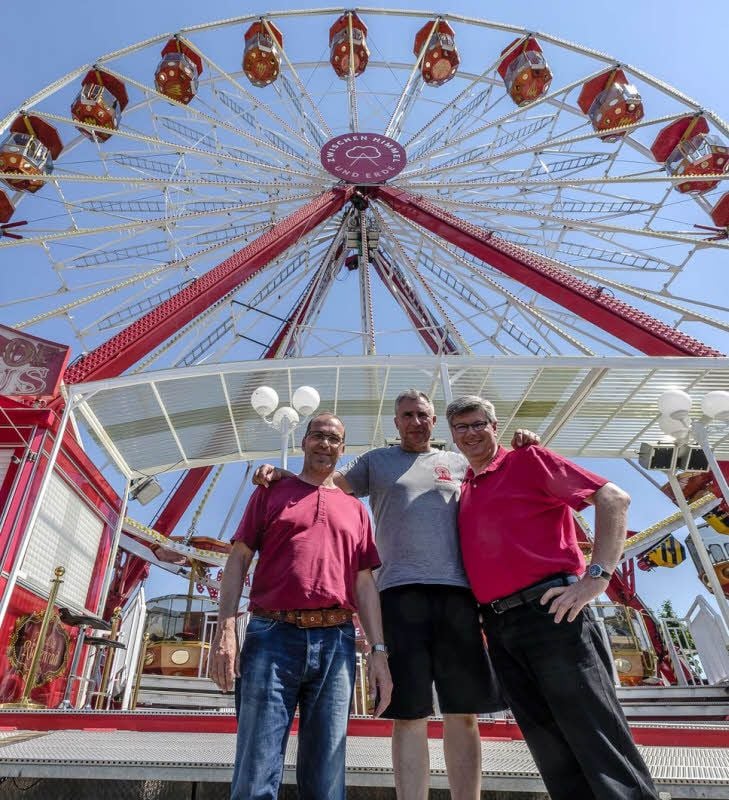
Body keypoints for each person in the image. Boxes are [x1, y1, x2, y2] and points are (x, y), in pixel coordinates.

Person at [254, 389, 539, 800]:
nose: (415, 422)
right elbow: (325, 481)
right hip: (398, 595)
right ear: (396, 422)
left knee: (463, 712)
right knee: (408, 713)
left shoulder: (458, 463)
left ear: (434, 421)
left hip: (458, 595)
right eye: (407, 415)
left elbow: (502, 468)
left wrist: (526, 442)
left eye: (422, 415)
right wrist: (283, 475)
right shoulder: (376, 462)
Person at [446, 394, 660, 800]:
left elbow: (613, 498)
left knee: (594, 732)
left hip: (551, 611)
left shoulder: (529, 460)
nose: (470, 433)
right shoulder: (466, 488)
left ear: (495, 427)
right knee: (548, 746)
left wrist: (597, 577)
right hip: (499, 624)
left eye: (478, 424)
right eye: (461, 427)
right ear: (452, 436)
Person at [210, 412, 392, 800]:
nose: (325, 443)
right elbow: (238, 558)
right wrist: (226, 628)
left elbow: (364, 583)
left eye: (333, 439)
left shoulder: (356, 510)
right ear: (304, 441)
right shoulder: (270, 492)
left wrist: (378, 651)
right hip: (271, 635)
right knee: (256, 770)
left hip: (337, 640)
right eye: (318, 435)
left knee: (327, 776)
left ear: (343, 449)